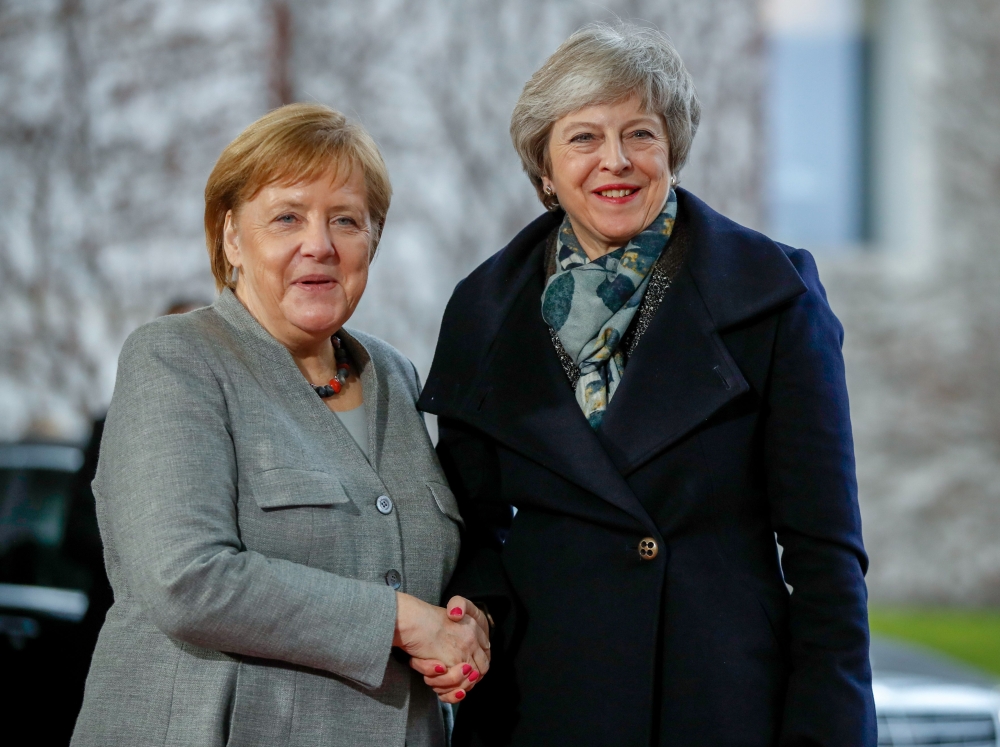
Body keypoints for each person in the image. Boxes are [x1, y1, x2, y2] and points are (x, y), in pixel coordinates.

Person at [419, 22, 876, 747]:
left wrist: (831, 733)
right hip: (541, 704)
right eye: (583, 138)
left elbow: (826, 556)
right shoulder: (484, 309)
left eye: (640, 133)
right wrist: (476, 615)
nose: (616, 161)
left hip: (721, 701)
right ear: (543, 167)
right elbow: (473, 529)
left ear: (672, 150)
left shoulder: (773, 295)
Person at [72, 103, 488, 747]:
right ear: (232, 236)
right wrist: (401, 622)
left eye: (346, 220)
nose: (319, 244)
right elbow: (185, 578)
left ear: (373, 239)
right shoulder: (175, 357)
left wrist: (464, 622)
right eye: (287, 216)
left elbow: (423, 560)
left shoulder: (397, 375)